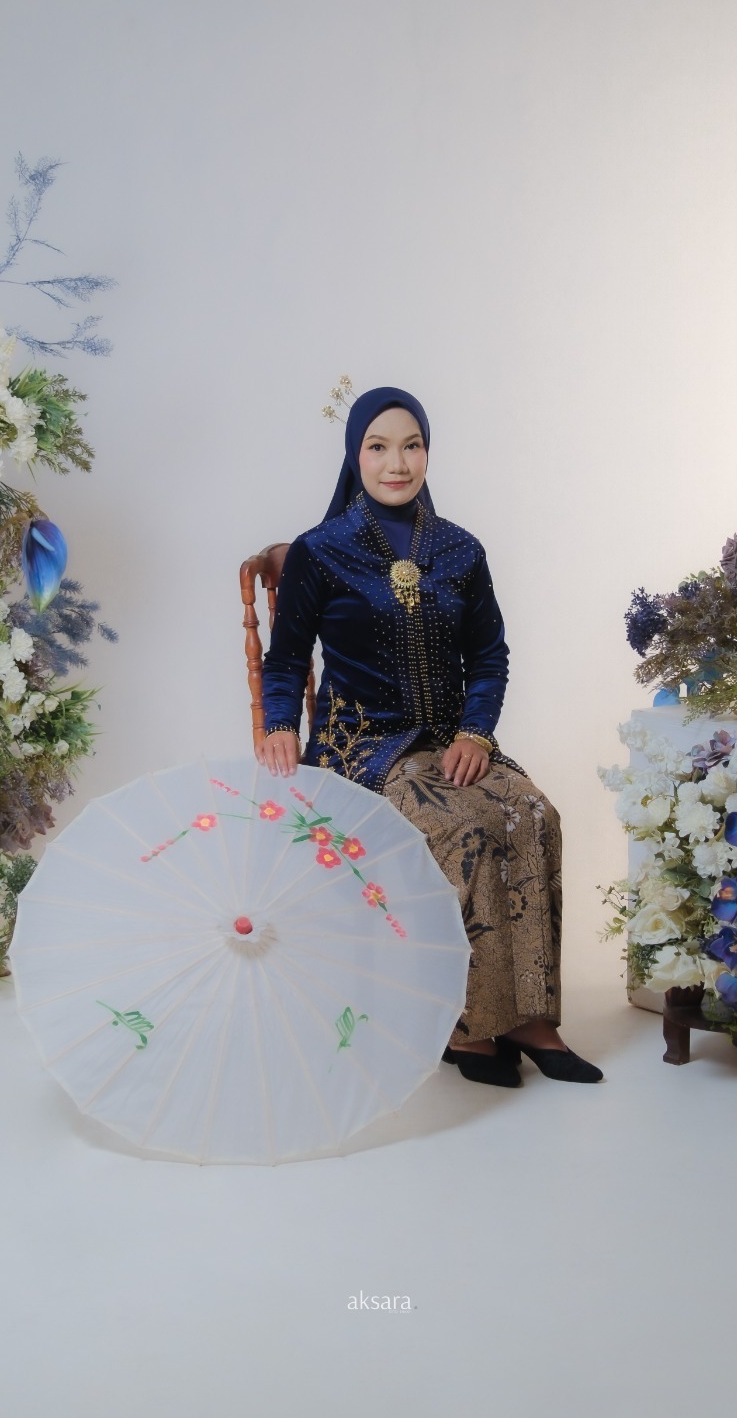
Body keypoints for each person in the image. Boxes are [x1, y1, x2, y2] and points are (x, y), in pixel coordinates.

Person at [258, 386, 601, 1088]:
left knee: (534, 813)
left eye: (411, 446)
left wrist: (476, 734)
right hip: (363, 748)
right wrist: (279, 723)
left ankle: (531, 1017)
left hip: (451, 741)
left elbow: (491, 656)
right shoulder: (321, 552)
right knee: (464, 827)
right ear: (355, 455)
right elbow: (287, 659)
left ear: (427, 453)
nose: (397, 463)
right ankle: (468, 1024)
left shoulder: (460, 549)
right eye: (378, 447)